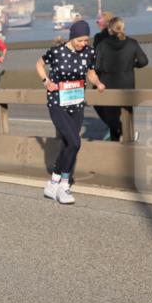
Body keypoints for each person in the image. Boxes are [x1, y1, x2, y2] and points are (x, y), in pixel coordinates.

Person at [35, 20, 107, 205]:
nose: (83, 44)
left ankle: (53, 183)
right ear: (72, 37)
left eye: (86, 40)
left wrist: (98, 83)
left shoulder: (89, 52)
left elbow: (90, 73)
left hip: (77, 102)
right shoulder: (57, 52)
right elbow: (39, 64)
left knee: (69, 143)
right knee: (75, 142)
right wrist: (46, 81)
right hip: (57, 102)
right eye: (80, 40)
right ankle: (64, 185)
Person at [94, 16, 148, 142]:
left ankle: (117, 140)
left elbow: (97, 66)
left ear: (109, 29)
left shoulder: (102, 45)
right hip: (127, 85)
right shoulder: (132, 43)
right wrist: (132, 64)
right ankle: (129, 138)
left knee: (112, 118)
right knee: (127, 115)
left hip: (108, 85)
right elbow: (144, 61)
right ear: (123, 28)